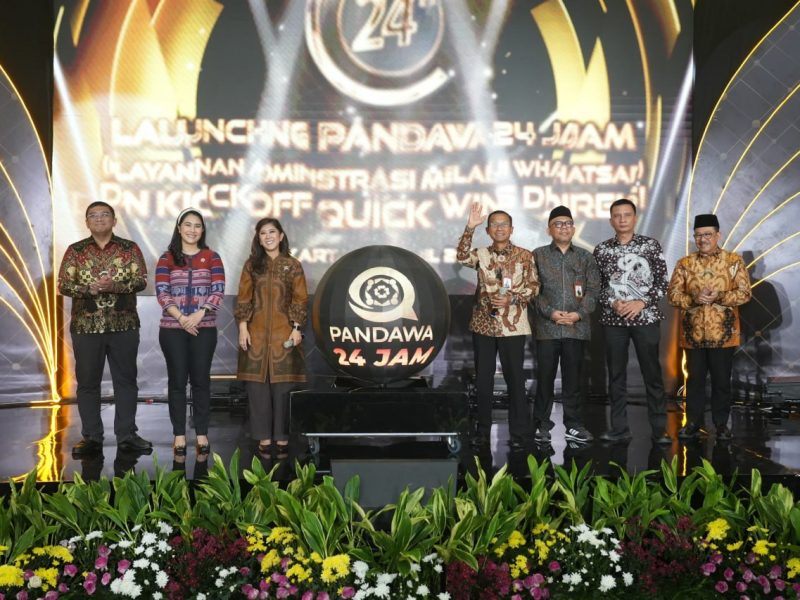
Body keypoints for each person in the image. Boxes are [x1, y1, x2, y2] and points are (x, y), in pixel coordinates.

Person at [57, 201, 151, 457]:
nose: (99, 219)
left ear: (114, 220)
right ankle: (91, 438)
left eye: (104, 214)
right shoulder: (76, 251)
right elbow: (63, 285)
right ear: (86, 222)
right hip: (86, 327)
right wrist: (89, 289)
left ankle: (127, 435)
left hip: (124, 325)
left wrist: (114, 286)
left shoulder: (129, 248)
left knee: (126, 381)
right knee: (88, 383)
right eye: (93, 215)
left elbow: (141, 280)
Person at [456, 202, 539, 449]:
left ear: (511, 229)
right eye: (494, 224)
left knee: (515, 379)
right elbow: (461, 256)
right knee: (483, 379)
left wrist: (512, 298)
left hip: (513, 325)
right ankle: (482, 431)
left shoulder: (525, 255)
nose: (499, 228)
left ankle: (520, 433)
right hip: (484, 325)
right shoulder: (481, 254)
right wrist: (470, 227)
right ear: (488, 230)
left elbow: (534, 286)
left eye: (504, 224)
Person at [593, 198, 671, 444]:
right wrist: (612, 302)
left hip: (645, 318)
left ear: (635, 218)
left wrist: (641, 302)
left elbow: (662, 282)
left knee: (652, 374)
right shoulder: (602, 250)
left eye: (627, 215)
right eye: (617, 215)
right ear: (611, 221)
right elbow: (596, 286)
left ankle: (659, 429)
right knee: (616, 376)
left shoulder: (650, 245)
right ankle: (619, 428)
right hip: (613, 320)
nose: (622, 219)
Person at [668, 214, 751, 440]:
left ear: (718, 235)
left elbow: (745, 293)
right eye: (698, 235)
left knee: (721, 381)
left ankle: (721, 425)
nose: (702, 239)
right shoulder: (685, 263)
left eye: (707, 234)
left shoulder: (733, 261)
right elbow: (673, 295)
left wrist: (720, 296)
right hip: (692, 334)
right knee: (694, 381)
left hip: (723, 334)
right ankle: (693, 423)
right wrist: (694, 298)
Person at [155, 208, 225, 457]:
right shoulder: (166, 258)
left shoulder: (212, 257)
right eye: (188, 225)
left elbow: (218, 289)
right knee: (177, 382)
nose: (192, 230)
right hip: (172, 330)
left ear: (202, 230)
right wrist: (182, 318)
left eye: (197, 226)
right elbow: (162, 292)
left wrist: (199, 314)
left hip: (204, 329)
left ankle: (202, 433)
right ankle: (179, 435)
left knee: (201, 381)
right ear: (179, 228)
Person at [236, 218, 308, 455]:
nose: (268, 236)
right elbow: (244, 298)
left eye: (272, 232)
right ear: (258, 239)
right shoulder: (251, 265)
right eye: (263, 233)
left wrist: (296, 328)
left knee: (283, 389)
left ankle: (282, 438)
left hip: (283, 335)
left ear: (281, 235)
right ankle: (264, 438)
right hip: (255, 335)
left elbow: (300, 299)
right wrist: (243, 327)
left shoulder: (293, 265)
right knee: (257, 389)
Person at [532, 206, 599, 444]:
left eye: (568, 223)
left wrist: (578, 315)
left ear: (574, 228)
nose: (564, 228)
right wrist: (550, 313)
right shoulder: (538, 255)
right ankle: (541, 425)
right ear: (549, 229)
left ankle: (574, 425)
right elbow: (532, 290)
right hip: (547, 328)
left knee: (573, 380)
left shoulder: (585, 257)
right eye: (558, 224)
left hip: (576, 328)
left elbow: (593, 290)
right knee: (545, 379)